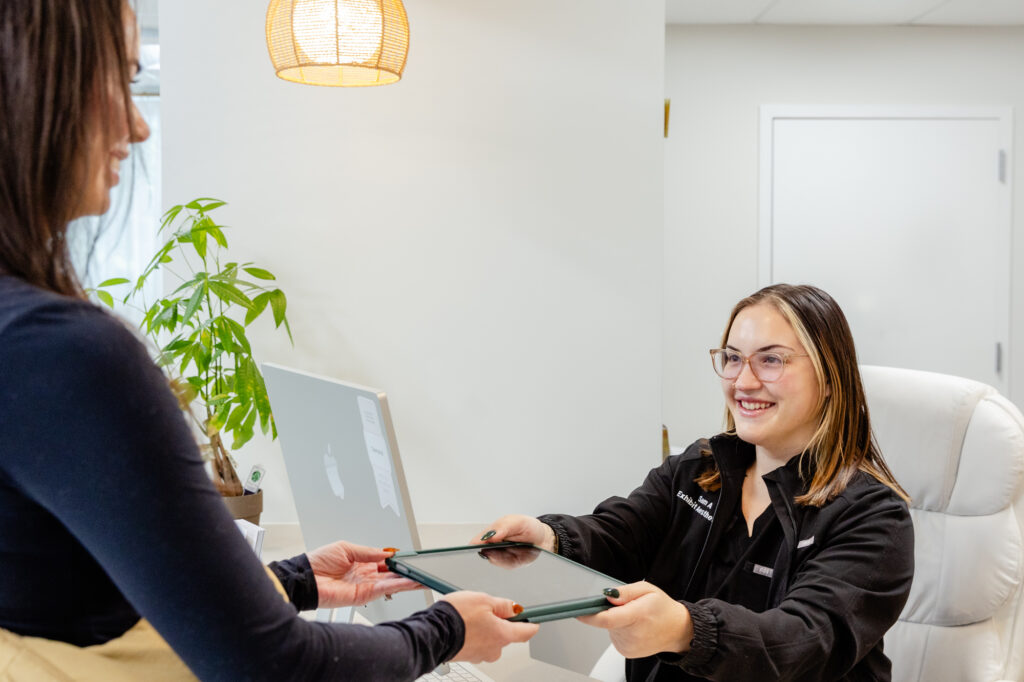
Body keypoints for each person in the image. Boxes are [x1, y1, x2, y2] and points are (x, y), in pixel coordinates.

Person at [0, 1, 537, 680]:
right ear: (34, 84)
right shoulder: (65, 353)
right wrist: (445, 631)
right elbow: (272, 665)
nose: (137, 126)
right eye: (122, 79)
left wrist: (292, 582)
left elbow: (71, 598)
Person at [477, 284, 914, 681]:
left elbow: (803, 640)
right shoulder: (699, 468)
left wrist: (686, 629)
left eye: (772, 359)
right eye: (733, 358)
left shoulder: (873, 516)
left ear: (830, 378)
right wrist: (550, 537)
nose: (743, 382)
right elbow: (622, 533)